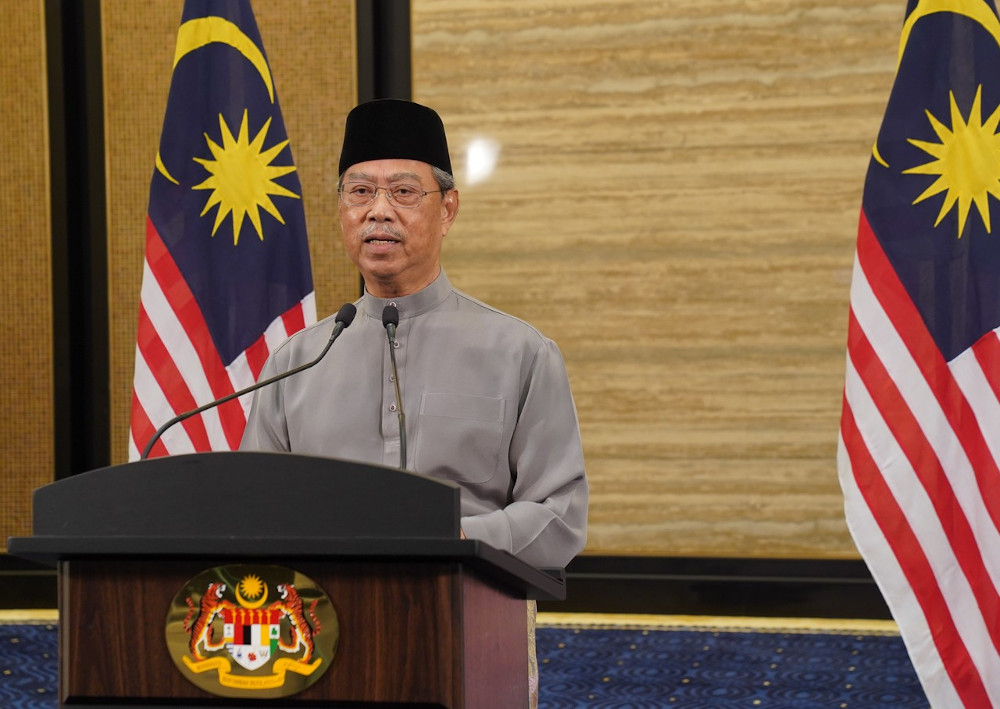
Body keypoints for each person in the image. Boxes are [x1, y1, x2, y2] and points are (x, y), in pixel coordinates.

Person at [240, 99, 588, 569]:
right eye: (360, 192)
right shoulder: (295, 363)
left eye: (403, 192)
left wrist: (457, 537)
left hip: (469, 614)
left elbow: (560, 518)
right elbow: (255, 511)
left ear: (447, 210)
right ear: (341, 210)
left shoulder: (521, 354)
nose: (378, 211)